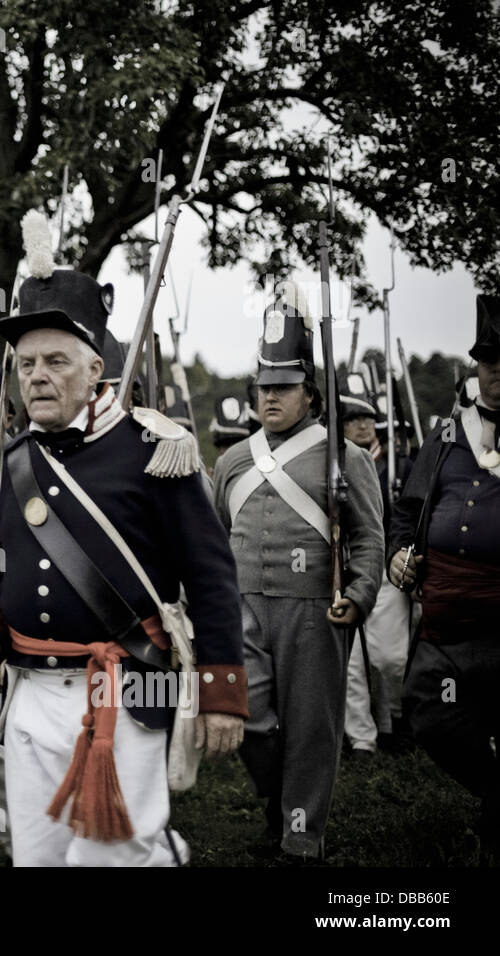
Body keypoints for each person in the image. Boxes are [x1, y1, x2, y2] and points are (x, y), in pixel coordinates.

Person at [0, 215, 246, 866]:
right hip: (30, 694)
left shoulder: (157, 448)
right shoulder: (14, 458)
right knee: (37, 856)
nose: (36, 376)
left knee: (112, 858)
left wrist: (221, 688)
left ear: (95, 369)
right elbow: (6, 570)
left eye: (55, 361)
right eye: (26, 363)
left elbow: (210, 576)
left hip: (125, 690)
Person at [212, 283, 383, 860]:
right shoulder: (234, 459)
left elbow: (368, 537)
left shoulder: (346, 457)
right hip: (243, 606)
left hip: (313, 607)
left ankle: (301, 837)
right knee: (250, 718)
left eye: (282, 387)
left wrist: (358, 595)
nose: (270, 398)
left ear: (310, 392)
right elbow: (213, 540)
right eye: (263, 387)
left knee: (312, 728)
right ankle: (278, 800)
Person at [389, 294, 500, 862]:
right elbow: (407, 510)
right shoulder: (449, 434)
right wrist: (399, 554)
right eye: (489, 361)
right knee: (430, 711)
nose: (497, 372)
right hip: (446, 615)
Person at [339, 381, 412, 756]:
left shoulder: (397, 464)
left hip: (384, 568)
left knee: (388, 659)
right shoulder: (333, 462)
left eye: (368, 417)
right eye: (354, 418)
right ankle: (363, 740)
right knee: (350, 664)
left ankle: (392, 720)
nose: (364, 425)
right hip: (344, 569)